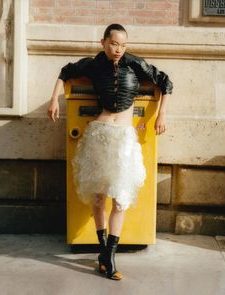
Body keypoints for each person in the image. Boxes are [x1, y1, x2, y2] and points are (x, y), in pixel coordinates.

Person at [47, 24, 173, 281]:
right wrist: (53, 100)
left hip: (125, 138)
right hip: (100, 136)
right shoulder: (94, 65)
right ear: (103, 42)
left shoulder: (135, 63)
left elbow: (166, 82)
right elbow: (65, 73)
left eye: (123, 45)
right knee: (98, 198)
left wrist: (161, 114)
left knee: (120, 199)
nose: (119, 50)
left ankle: (109, 255)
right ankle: (105, 253)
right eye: (114, 44)